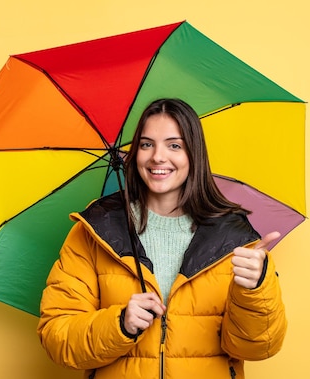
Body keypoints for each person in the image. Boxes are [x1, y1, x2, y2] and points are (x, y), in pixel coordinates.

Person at [37, 98, 287, 379]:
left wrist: (254, 290)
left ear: (194, 154)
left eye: (174, 145)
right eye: (146, 144)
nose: (158, 156)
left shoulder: (233, 239)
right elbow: (58, 338)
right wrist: (121, 324)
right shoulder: (94, 232)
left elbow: (258, 348)